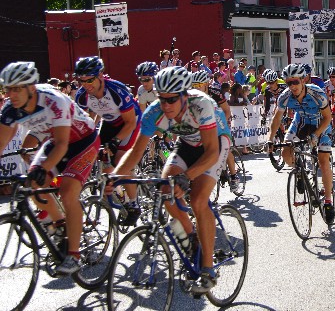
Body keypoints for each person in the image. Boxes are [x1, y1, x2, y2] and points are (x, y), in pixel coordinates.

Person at [112, 66, 229, 293]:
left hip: (213, 145)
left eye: (171, 100)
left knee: (197, 199)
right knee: (165, 190)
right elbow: (136, 152)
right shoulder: (153, 112)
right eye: (161, 99)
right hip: (186, 144)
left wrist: (188, 177)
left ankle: (208, 269)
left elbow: (212, 152)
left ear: (185, 95)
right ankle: (192, 236)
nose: (165, 105)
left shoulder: (201, 105)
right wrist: (116, 176)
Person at [0, 61, 100, 274]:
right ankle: (61, 225)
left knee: (67, 192)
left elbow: (64, 144)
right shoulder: (11, 109)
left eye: (17, 88)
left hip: (83, 141)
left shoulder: (53, 100)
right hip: (54, 141)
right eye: (8, 89)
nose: (12, 95)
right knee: (34, 185)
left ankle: (74, 255)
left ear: (31, 87)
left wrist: (43, 167)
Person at [74, 56, 143, 224]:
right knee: (102, 160)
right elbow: (86, 121)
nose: (86, 85)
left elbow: (129, 123)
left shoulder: (115, 90)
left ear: (100, 76)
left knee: (120, 158)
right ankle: (118, 191)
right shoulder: (82, 95)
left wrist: (115, 141)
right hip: (110, 123)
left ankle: (133, 204)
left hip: (130, 122)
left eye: (89, 80)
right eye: (81, 81)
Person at [267, 64, 335, 224]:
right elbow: (277, 118)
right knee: (285, 152)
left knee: (323, 160)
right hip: (302, 121)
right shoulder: (285, 96)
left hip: (321, 124)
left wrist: (316, 135)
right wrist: (270, 139)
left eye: (296, 82)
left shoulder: (316, 93)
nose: (293, 86)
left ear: (303, 80)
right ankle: (300, 171)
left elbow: (328, 118)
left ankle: (327, 201)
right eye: (289, 83)